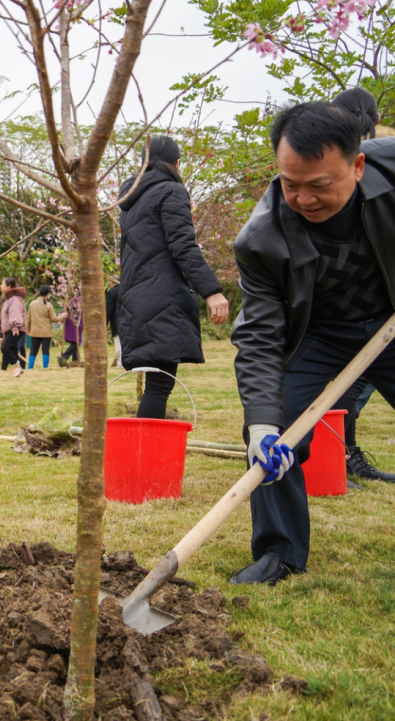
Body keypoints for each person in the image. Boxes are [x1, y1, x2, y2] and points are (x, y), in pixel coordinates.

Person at [229, 101, 395, 585]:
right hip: (320, 333)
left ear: (357, 165)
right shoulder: (260, 239)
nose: (303, 198)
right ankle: (279, 553)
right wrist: (261, 425)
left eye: (320, 185)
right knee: (275, 428)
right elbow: (260, 334)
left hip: (388, 318)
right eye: (290, 184)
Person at [116, 135, 228, 415]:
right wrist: (212, 291)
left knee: (157, 383)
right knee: (159, 386)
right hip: (161, 298)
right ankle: (144, 455)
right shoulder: (171, 191)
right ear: (177, 163)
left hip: (136, 298)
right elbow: (183, 246)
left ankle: (145, 452)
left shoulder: (131, 200)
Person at [328, 87, 395, 483]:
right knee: (352, 380)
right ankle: (338, 457)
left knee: (353, 380)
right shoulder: (363, 157)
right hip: (352, 298)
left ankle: (344, 454)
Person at [27, 285, 62, 370]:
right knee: (45, 349)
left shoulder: (32, 304)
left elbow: (28, 318)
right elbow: (53, 318)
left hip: (35, 331)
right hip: (46, 332)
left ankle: (30, 367)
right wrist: (62, 316)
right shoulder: (48, 305)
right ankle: (45, 366)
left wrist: (28, 329)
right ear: (48, 294)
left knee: (33, 350)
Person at [0, 278, 27, 373]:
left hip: (15, 328)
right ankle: (18, 368)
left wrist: (15, 326)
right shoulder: (8, 299)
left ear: (9, 286)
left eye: (2, 284)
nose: (0, 286)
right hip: (11, 328)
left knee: (5, 348)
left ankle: (17, 367)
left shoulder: (14, 298)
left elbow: (15, 312)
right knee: (13, 349)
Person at [59, 295, 84, 365]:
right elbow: (66, 308)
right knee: (76, 342)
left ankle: (75, 360)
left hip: (78, 323)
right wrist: (61, 319)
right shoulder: (77, 300)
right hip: (73, 322)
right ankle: (64, 357)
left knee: (76, 342)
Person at [105, 281, 122, 368]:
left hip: (116, 321)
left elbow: (108, 309)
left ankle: (120, 362)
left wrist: (105, 323)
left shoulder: (111, 293)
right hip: (128, 320)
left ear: (111, 283)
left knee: (118, 343)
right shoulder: (125, 289)